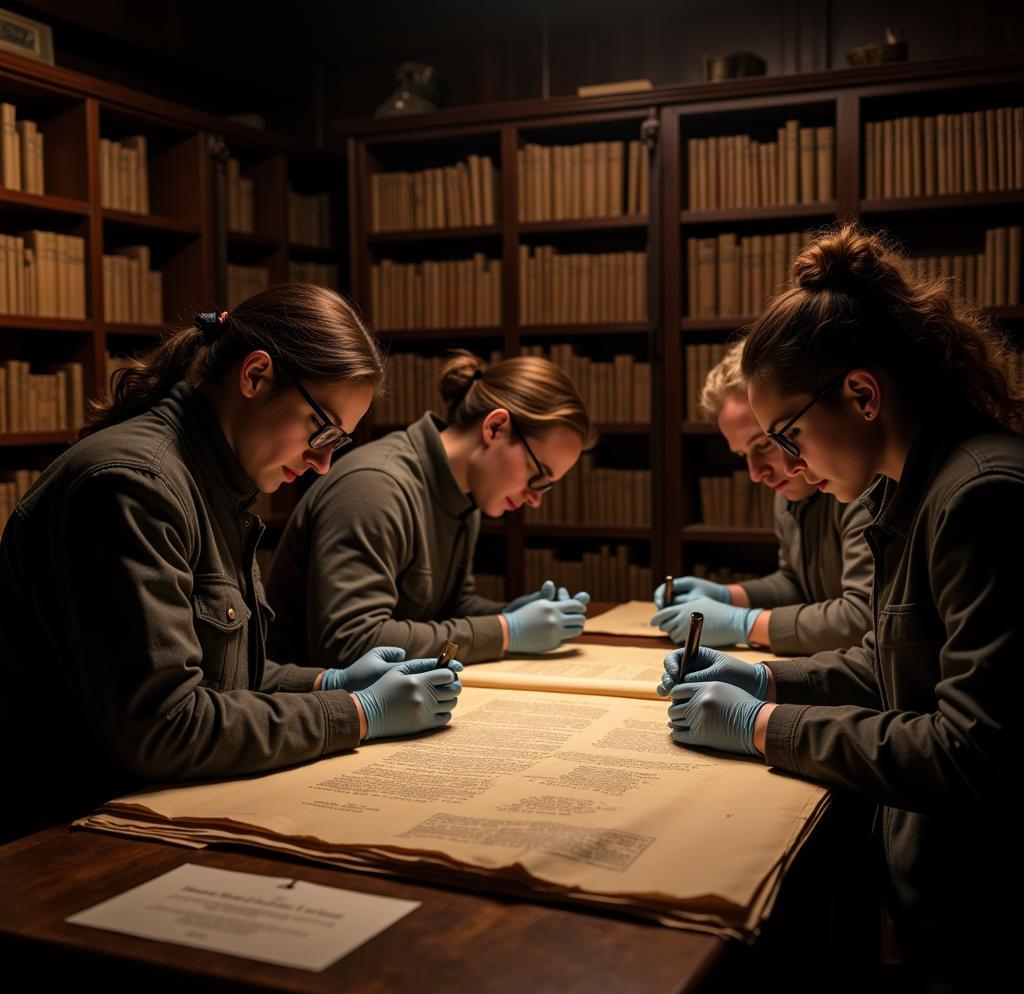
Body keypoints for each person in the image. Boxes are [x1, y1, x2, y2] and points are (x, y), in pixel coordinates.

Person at [659, 224, 1024, 994]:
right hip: (941, 913)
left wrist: (763, 728)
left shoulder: (979, 494)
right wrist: (758, 677)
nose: (783, 462)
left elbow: (975, 756)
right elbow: (890, 665)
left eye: (785, 435)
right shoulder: (906, 491)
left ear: (861, 394)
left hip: (992, 934)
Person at [0, 284, 462, 842]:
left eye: (338, 443)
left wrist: (326, 680)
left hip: (143, 807)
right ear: (255, 376)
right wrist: (356, 712)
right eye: (323, 431)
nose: (321, 464)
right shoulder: (133, 486)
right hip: (61, 834)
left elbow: (218, 673)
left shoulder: (217, 481)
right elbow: (166, 725)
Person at [267, 349, 595, 667]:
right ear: (495, 428)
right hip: (303, 706)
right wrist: (506, 630)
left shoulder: (465, 496)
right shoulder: (375, 487)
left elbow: (448, 609)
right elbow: (350, 643)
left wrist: (510, 613)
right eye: (537, 475)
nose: (536, 499)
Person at [651, 340, 872, 654]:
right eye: (744, 455)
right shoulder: (789, 485)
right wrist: (728, 596)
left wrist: (743, 622)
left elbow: (865, 618)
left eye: (766, 443)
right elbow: (797, 584)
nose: (756, 474)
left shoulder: (860, 483)